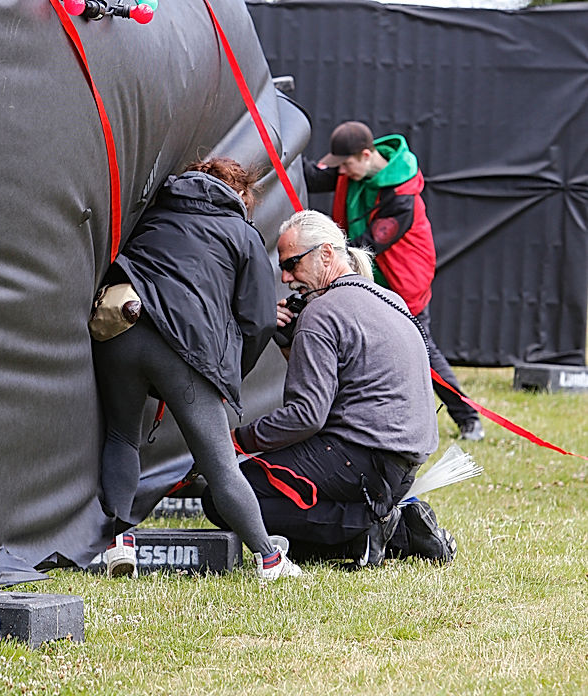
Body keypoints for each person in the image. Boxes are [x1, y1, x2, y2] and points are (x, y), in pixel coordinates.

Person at [203, 210, 457, 568]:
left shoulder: (321, 313)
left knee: (223, 495)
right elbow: (339, 392)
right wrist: (290, 344)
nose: (287, 278)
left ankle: (376, 527)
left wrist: (233, 441)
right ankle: (393, 528)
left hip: (362, 458)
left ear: (326, 254)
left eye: (292, 264)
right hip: (401, 463)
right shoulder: (391, 300)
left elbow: (306, 416)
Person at [92, 157, 301, 583]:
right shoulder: (241, 234)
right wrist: (228, 373)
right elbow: (259, 320)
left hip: (120, 330)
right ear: (241, 195)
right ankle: (269, 560)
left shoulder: (153, 211)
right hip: (185, 349)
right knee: (220, 463)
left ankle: (118, 543)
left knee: (120, 436)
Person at [304, 121, 484, 442]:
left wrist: (322, 252)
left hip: (403, 283)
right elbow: (313, 177)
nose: (341, 172)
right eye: (339, 165)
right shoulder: (352, 168)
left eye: (346, 164)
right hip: (369, 274)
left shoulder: (401, 196)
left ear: (366, 154)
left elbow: (367, 244)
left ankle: (468, 418)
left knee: (423, 354)